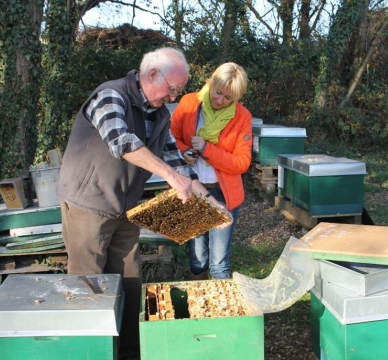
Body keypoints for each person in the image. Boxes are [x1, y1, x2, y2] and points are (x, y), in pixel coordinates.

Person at [57, 47, 229, 360]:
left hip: (125, 207)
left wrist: (208, 199)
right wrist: (170, 177)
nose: (174, 96)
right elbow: (120, 141)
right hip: (88, 204)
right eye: (173, 89)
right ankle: (91, 352)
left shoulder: (160, 114)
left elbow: (174, 158)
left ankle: (130, 351)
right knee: (90, 284)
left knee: (129, 279)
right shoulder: (111, 95)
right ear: (152, 75)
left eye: (178, 91)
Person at [171, 62, 252, 280]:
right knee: (197, 259)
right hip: (192, 190)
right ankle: (199, 306)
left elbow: (241, 163)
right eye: (218, 93)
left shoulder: (242, 117)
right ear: (210, 82)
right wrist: (184, 151)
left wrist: (207, 149)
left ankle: (221, 312)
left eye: (228, 98)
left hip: (223, 194)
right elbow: (171, 138)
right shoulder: (189, 103)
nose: (220, 101)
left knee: (219, 264)